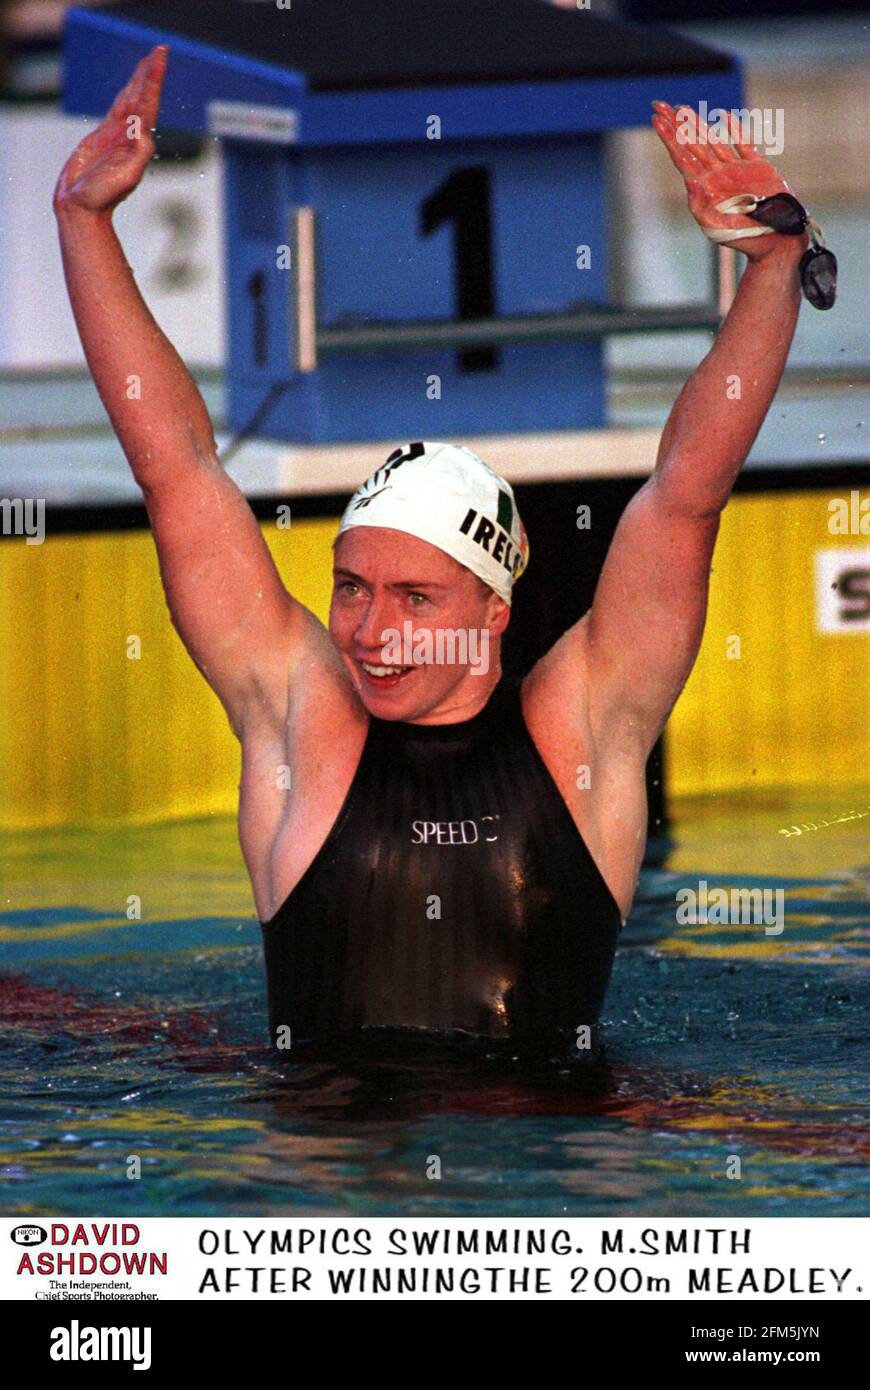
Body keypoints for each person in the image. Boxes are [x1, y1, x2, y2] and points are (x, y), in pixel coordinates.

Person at [54, 47, 816, 1051]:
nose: (369, 630)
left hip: (551, 1189)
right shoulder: (301, 721)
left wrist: (774, 266)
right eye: (351, 587)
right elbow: (180, 468)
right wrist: (85, 221)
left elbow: (687, 496)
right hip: (318, 1194)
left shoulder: (583, 731)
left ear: (496, 609)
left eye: (416, 597)